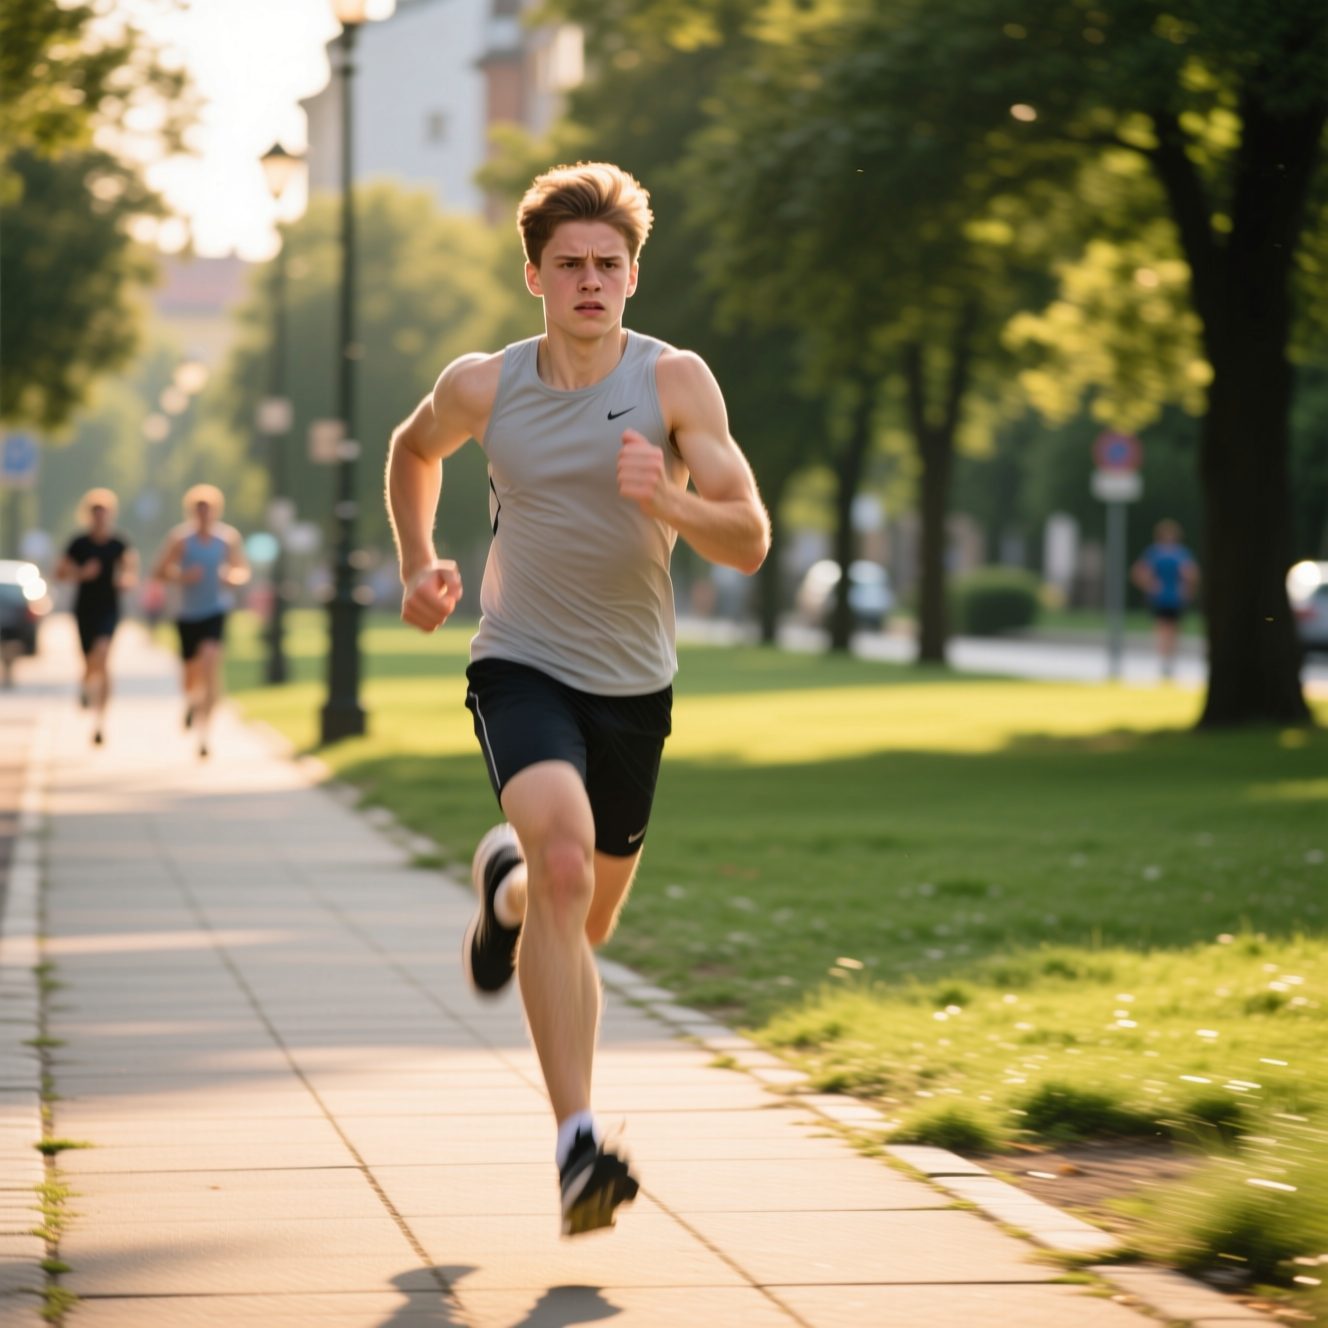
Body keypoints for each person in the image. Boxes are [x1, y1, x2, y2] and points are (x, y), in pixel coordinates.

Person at [386, 162, 770, 1236]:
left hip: (634, 686)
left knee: (576, 915)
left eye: (608, 264)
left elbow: (749, 536)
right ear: (534, 276)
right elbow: (412, 450)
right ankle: (577, 1147)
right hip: (519, 661)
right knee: (565, 860)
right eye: (570, 265)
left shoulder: (674, 383)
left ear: (633, 276)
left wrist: (673, 500)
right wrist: (417, 560)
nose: (590, 281)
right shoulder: (484, 384)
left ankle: (502, 894)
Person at [150, 484, 250, 757]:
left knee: (210, 666)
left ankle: (204, 737)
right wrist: (182, 577)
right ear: (192, 512)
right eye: (199, 510)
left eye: (209, 510)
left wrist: (231, 577)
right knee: (190, 676)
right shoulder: (181, 540)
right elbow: (159, 572)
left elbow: (241, 570)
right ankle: (192, 703)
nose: (204, 515)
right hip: (186, 613)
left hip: (216, 610)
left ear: (216, 511)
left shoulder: (227, 539)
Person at [55, 488, 139, 745]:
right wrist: (81, 573)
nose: (100, 517)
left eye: (104, 512)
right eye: (95, 513)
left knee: (102, 657)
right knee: (89, 661)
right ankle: (85, 684)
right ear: (89, 515)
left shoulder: (119, 543)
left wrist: (125, 580)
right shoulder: (78, 543)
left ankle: (100, 721)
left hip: (109, 608)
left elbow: (130, 569)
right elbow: (59, 573)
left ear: (110, 514)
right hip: (84, 609)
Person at [1131, 518, 1199, 678]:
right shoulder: (1156, 553)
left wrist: (1187, 590)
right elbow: (1139, 572)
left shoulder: (1179, 553)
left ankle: (1170, 660)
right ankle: (1165, 661)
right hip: (1161, 597)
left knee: (1173, 629)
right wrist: (1150, 585)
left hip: (1175, 597)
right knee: (1163, 628)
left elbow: (1191, 574)